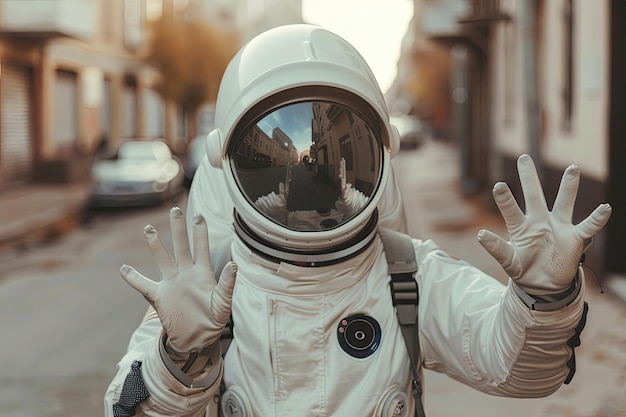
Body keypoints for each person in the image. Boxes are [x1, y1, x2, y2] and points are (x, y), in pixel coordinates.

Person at [104, 24, 612, 417]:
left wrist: (544, 300)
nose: (304, 181)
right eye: (283, 163)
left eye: (323, 163)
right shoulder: (205, 294)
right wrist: (180, 356)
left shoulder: (407, 277)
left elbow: (522, 373)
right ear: (229, 164)